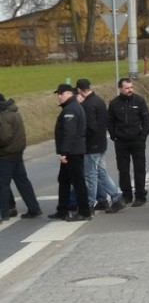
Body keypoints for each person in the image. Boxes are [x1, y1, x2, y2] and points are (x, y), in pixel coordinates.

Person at [75, 79, 125, 214]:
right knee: (101, 172)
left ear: (79, 90)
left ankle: (89, 204)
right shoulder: (99, 100)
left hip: (91, 145)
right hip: (101, 142)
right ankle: (116, 197)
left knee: (90, 175)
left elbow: (90, 127)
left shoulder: (86, 105)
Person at [49, 84, 91, 221]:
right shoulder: (71, 107)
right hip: (72, 151)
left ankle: (84, 212)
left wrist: (64, 153)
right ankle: (62, 209)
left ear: (67, 93)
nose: (58, 96)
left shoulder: (71, 109)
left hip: (72, 152)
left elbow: (69, 133)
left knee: (78, 182)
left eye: (60, 93)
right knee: (64, 180)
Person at [107, 77, 149, 206]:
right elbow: (109, 121)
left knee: (140, 168)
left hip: (137, 140)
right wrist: (113, 135)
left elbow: (146, 120)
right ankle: (126, 195)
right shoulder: (114, 103)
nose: (130, 90)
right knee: (123, 170)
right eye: (126, 88)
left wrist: (143, 136)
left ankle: (140, 195)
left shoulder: (139, 101)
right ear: (120, 89)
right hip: (121, 142)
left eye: (131, 87)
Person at [0, 93, 42, 221]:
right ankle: (34, 208)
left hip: (6, 154)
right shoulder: (14, 112)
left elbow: (4, 137)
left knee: (2, 185)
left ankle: (4, 213)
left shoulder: (3, 116)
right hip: (17, 152)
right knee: (22, 181)